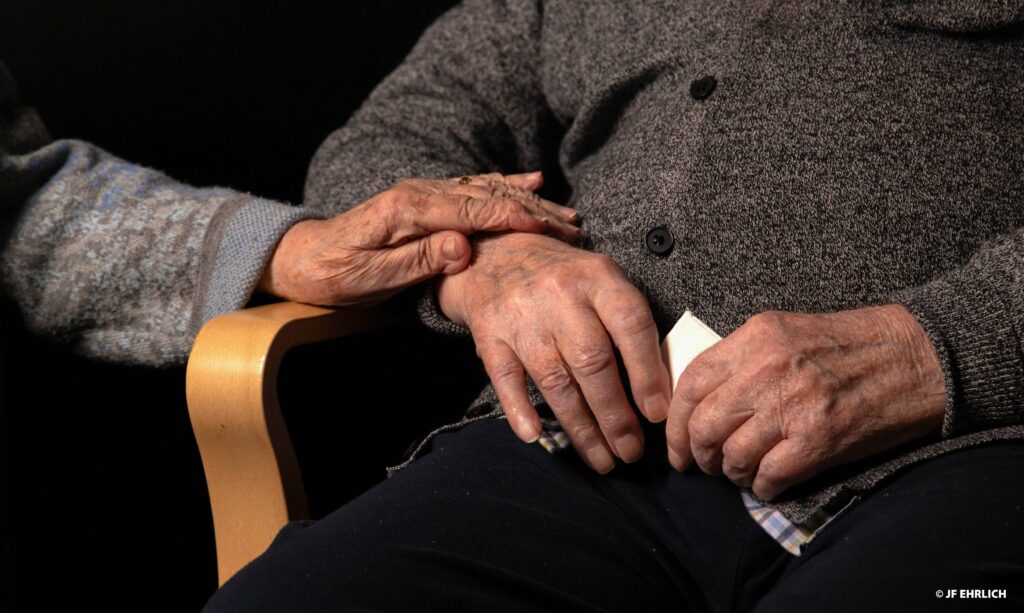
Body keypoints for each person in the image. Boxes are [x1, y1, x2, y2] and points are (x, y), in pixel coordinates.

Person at [198, 1, 1024, 611]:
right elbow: (384, 141)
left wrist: (929, 348)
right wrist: (487, 256)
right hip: (576, 448)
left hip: (964, 454)